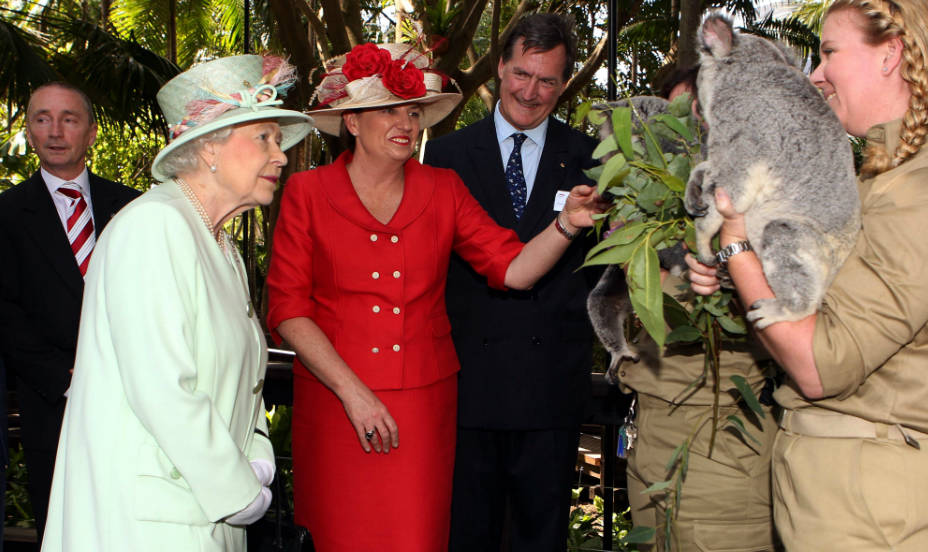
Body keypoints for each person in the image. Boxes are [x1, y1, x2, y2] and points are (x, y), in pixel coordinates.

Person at [265, 41, 605, 552]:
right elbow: (288, 309)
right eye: (388, 110)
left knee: (415, 536)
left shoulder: (443, 188)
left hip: (422, 412)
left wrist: (565, 224)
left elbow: (513, 270)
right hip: (336, 404)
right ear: (352, 122)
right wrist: (352, 393)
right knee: (339, 535)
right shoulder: (306, 194)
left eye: (413, 111)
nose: (406, 122)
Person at [687, 1, 928, 549]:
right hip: (849, 488)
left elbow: (821, 364)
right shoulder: (882, 174)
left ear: (891, 54)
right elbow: (821, 304)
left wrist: (737, 247)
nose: (816, 75)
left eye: (829, 53)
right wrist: (739, 276)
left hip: (884, 499)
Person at [40, 55, 313, 551]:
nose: (280, 157)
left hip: (205, 510)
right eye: (264, 138)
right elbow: (162, 388)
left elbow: (244, 378)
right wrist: (238, 487)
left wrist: (257, 457)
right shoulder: (154, 227)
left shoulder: (219, 244)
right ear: (209, 146)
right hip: (148, 521)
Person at [422, 14, 600, 551]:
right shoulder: (446, 156)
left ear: (565, 83)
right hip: (469, 387)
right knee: (465, 534)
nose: (531, 91)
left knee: (539, 538)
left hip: (551, 387)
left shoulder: (593, 159)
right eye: (521, 74)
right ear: (499, 66)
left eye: (548, 80)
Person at [619, 67, 778, 552]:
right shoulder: (652, 210)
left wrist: (730, 268)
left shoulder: (772, 201)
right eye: (675, 121)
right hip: (650, 441)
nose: (690, 131)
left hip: (720, 447)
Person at [0, 82, 140, 544]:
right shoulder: (7, 214)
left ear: (92, 132)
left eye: (69, 119)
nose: (55, 131)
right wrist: (68, 377)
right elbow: (5, 311)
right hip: (52, 405)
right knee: (65, 531)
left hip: (134, 400)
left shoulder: (135, 208)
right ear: (30, 129)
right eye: (42, 118)